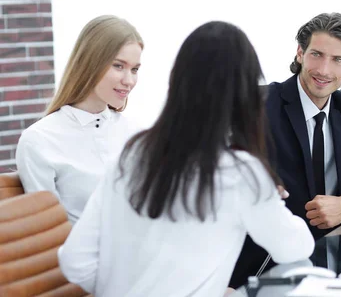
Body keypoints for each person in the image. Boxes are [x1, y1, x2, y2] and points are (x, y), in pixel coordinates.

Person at [58, 21, 314, 297]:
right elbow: (297, 249)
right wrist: (269, 197)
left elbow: (75, 264)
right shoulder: (241, 173)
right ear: (245, 92)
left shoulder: (132, 153)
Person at [230, 12, 341, 288]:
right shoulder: (259, 104)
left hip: (334, 261)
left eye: (338, 60)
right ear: (300, 54)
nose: (324, 70)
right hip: (264, 267)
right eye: (316, 54)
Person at [16, 15, 144, 223]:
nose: (129, 81)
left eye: (135, 69)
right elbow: (49, 232)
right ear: (90, 63)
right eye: (118, 66)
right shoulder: (39, 140)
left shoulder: (135, 134)